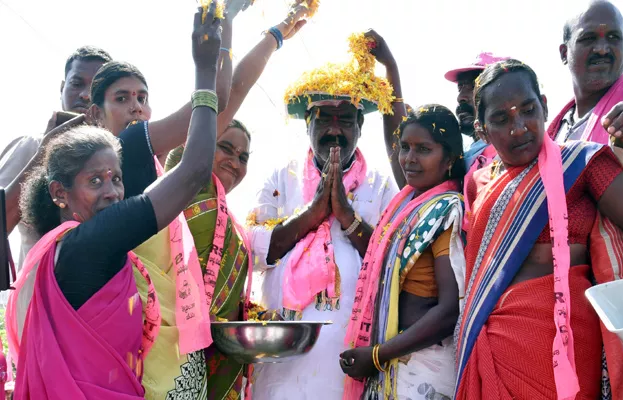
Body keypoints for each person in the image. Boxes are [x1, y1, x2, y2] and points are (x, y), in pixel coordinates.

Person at [6, 3, 223, 397]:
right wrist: (205, 70)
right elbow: (193, 171)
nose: (112, 191)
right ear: (60, 192)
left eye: (117, 179)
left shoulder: (62, 249)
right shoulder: (94, 241)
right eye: (95, 180)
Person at [129, 2, 314, 398]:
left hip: (209, 371)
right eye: (225, 147)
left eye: (244, 157)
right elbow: (233, 88)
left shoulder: (233, 223)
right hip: (158, 358)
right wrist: (270, 34)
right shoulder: (183, 178)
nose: (234, 161)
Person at [456, 59, 623, 400]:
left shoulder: (581, 164)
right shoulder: (479, 185)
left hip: (565, 353)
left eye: (528, 110)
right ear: (481, 130)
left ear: (544, 106)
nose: (519, 127)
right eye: (501, 119)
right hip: (493, 353)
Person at [246, 35, 399, 399]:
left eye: (345, 120)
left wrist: (347, 217)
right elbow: (251, 249)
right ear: (307, 126)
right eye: (324, 120)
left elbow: (394, 260)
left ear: (360, 127)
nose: (334, 130)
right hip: (282, 360)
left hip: (348, 355)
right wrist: (311, 216)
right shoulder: (281, 178)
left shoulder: (380, 186)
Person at [340, 104, 465, 400]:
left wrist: (376, 356)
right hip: (393, 363)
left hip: (423, 369)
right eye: (405, 147)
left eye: (423, 149)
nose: (410, 159)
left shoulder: (446, 211)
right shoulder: (406, 207)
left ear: (448, 158)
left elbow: (449, 311)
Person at [553, 0, 623, 274]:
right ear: (564, 52)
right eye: (588, 38)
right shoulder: (557, 131)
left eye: (613, 38)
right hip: (575, 292)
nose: (603, 49)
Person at [0, 46, 113, 276]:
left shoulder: (117, 163)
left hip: (101, 305)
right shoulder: (31, 147)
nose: (85, 94)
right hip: (36, 304)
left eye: (95, 88)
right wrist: (44, 154)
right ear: (62, 88)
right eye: (76, 83)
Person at [444, 52, 510, 230]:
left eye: (472, 86)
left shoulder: (506, 157)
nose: (461, 97)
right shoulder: (468, 157)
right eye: (460, 88)